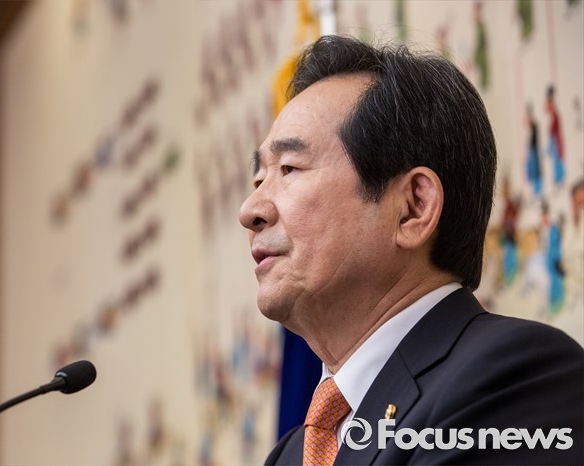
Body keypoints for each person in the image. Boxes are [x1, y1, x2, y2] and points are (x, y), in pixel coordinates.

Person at [238, 35, 583, 465]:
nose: (249, 210)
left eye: (289, 169)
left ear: (413, 208)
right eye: (259, 179)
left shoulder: (515, 378)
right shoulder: (289, 455)